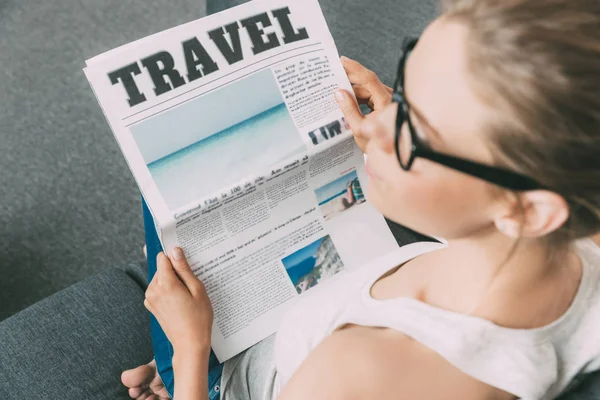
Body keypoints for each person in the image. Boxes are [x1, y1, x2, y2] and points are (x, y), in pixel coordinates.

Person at [122, 0, 600, 398]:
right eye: (406, 89)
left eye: (417, 135)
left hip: (231, 375)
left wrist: (188, 353)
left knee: (169, 177)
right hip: (331, 299)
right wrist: (421, 121)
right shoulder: (580, 225)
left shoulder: (356, 372)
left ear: (528, 211)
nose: (372, 126)